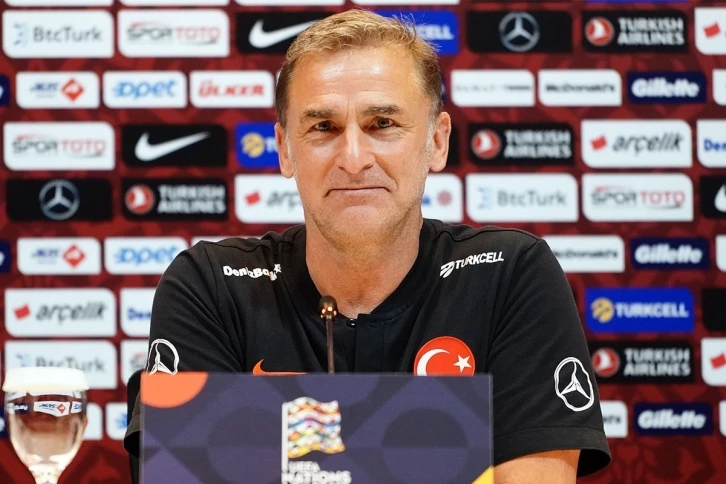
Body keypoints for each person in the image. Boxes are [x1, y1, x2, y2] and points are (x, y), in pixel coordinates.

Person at [124, 9, 610, 482]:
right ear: (285, 149)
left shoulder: (510, 275)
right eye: (323, 127)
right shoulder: (210, 286)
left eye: (382, 124)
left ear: (437, 141)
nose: (354, 158)